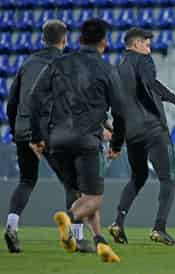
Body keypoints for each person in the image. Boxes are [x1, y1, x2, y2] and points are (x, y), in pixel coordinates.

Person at [29, 18, 123, 262]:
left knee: (83, 194)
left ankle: (100, 242)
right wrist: (116, 143)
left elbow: (35, 97)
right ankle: (68, 219)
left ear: (79, 40)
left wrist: (37, 136)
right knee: (94, 198)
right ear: (104, 42)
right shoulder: (107, 70)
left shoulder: (58, 64)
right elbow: (121, 112)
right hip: (87, 141)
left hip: (57, 141)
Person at [4, 20, 91, 253]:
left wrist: (16, 132)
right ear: (64, 40)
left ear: (43, 39)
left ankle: (12, 225)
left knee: (26, 181)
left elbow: (12, 103)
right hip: (52, 133)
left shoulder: (27, 63)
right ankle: (77, 238)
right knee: (73, 184)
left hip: (24, 132)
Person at [107, 27, 175, 246]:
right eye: (146, 43)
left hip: (131, 133)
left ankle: (118, 222)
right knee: (169, 178)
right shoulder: (144, 61)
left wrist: (116, 143)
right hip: (153, 129)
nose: (149, 47)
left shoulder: (116, 70)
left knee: (138, 176)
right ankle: (159, 228)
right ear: (136, 45)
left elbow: (117, 110)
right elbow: (150, 84)